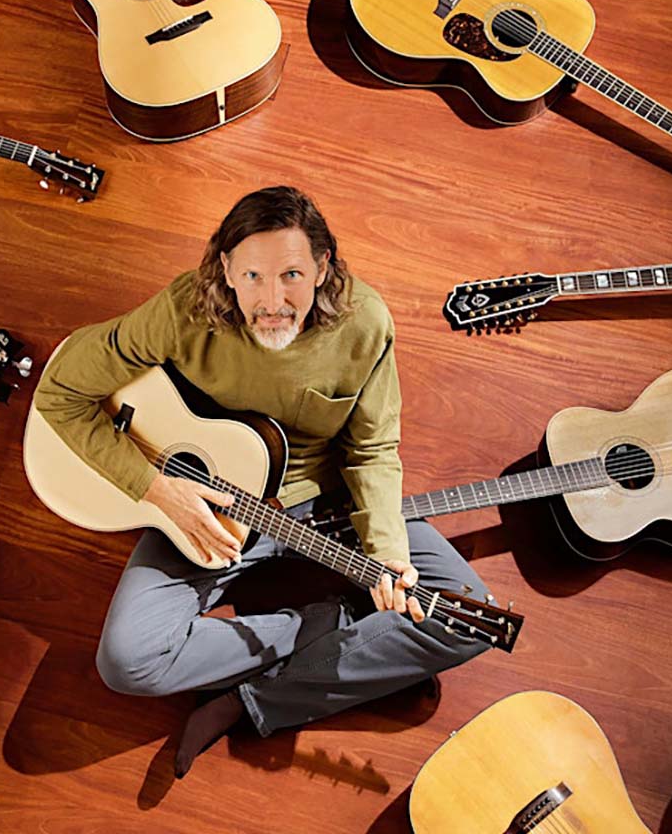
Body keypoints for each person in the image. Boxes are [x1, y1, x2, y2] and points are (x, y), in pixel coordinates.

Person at [33, 186, 492, 776]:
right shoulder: (183, 311)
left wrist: (387, 552)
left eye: (292, 275)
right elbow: (61, 392)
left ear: (323, 268)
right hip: (207, 502)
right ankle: (325, 626)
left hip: (324, 502)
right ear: (225, 269)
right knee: (127, 661)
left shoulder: (366, 321)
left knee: (466, 619)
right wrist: (156, 488)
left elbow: (373, 448)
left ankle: (254, 702)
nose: (272, 302)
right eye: (252, 276)